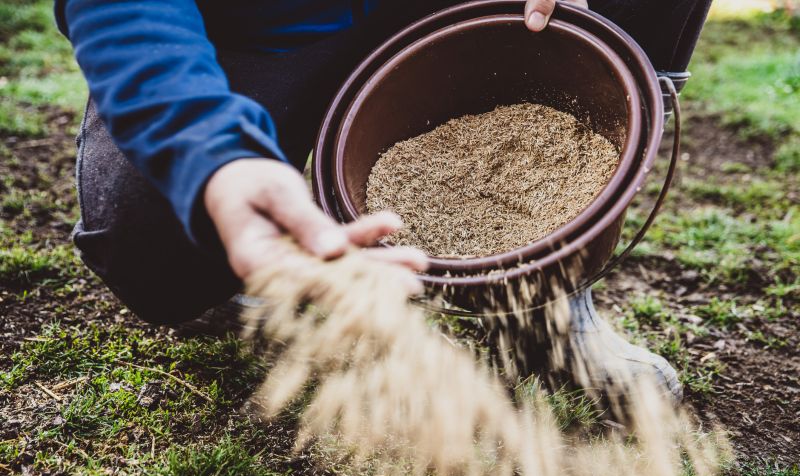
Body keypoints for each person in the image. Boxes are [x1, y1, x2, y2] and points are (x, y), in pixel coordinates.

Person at [57, 0, 711, 400]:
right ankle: (240, 240)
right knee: (156, 246)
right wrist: (211, 154)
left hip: (459, 5)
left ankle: (543, 294)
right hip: (252, 29)